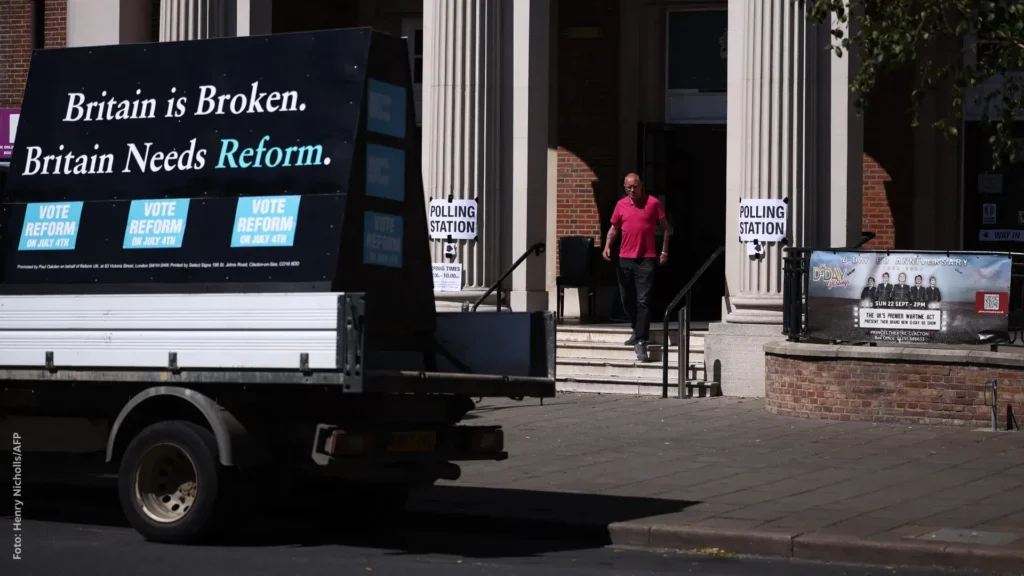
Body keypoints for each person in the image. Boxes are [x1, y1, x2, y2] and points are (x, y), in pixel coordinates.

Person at [602, 173, 670, 362]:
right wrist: (607, 246)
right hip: (625, 258)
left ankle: (641, 341)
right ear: (625, 188)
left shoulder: (653, 203)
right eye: (628, 187)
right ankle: (636, 329)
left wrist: (664, 251)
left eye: (635, 186)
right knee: (626, 299)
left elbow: (665, 227)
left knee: (643, 301)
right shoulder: (621, 205)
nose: (632, 190)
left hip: (646, 260)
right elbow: (614, 228)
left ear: (642, 186)